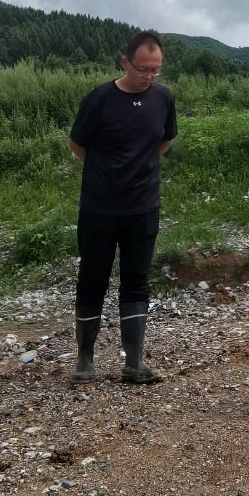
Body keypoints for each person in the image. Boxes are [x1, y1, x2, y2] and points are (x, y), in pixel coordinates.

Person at [69, 30, 178, 385]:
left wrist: (139, 168)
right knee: (92, 279)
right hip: (99, 208)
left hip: (143, 207)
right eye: (143, 69)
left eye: (155, 69)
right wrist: (108, 172)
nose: (149, 76)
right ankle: (85, 359)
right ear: (125, 62)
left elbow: (165, 141)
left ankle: (134, 362)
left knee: (137, 281)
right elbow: (78, 145)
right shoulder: (100, 98)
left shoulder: (163, 98)